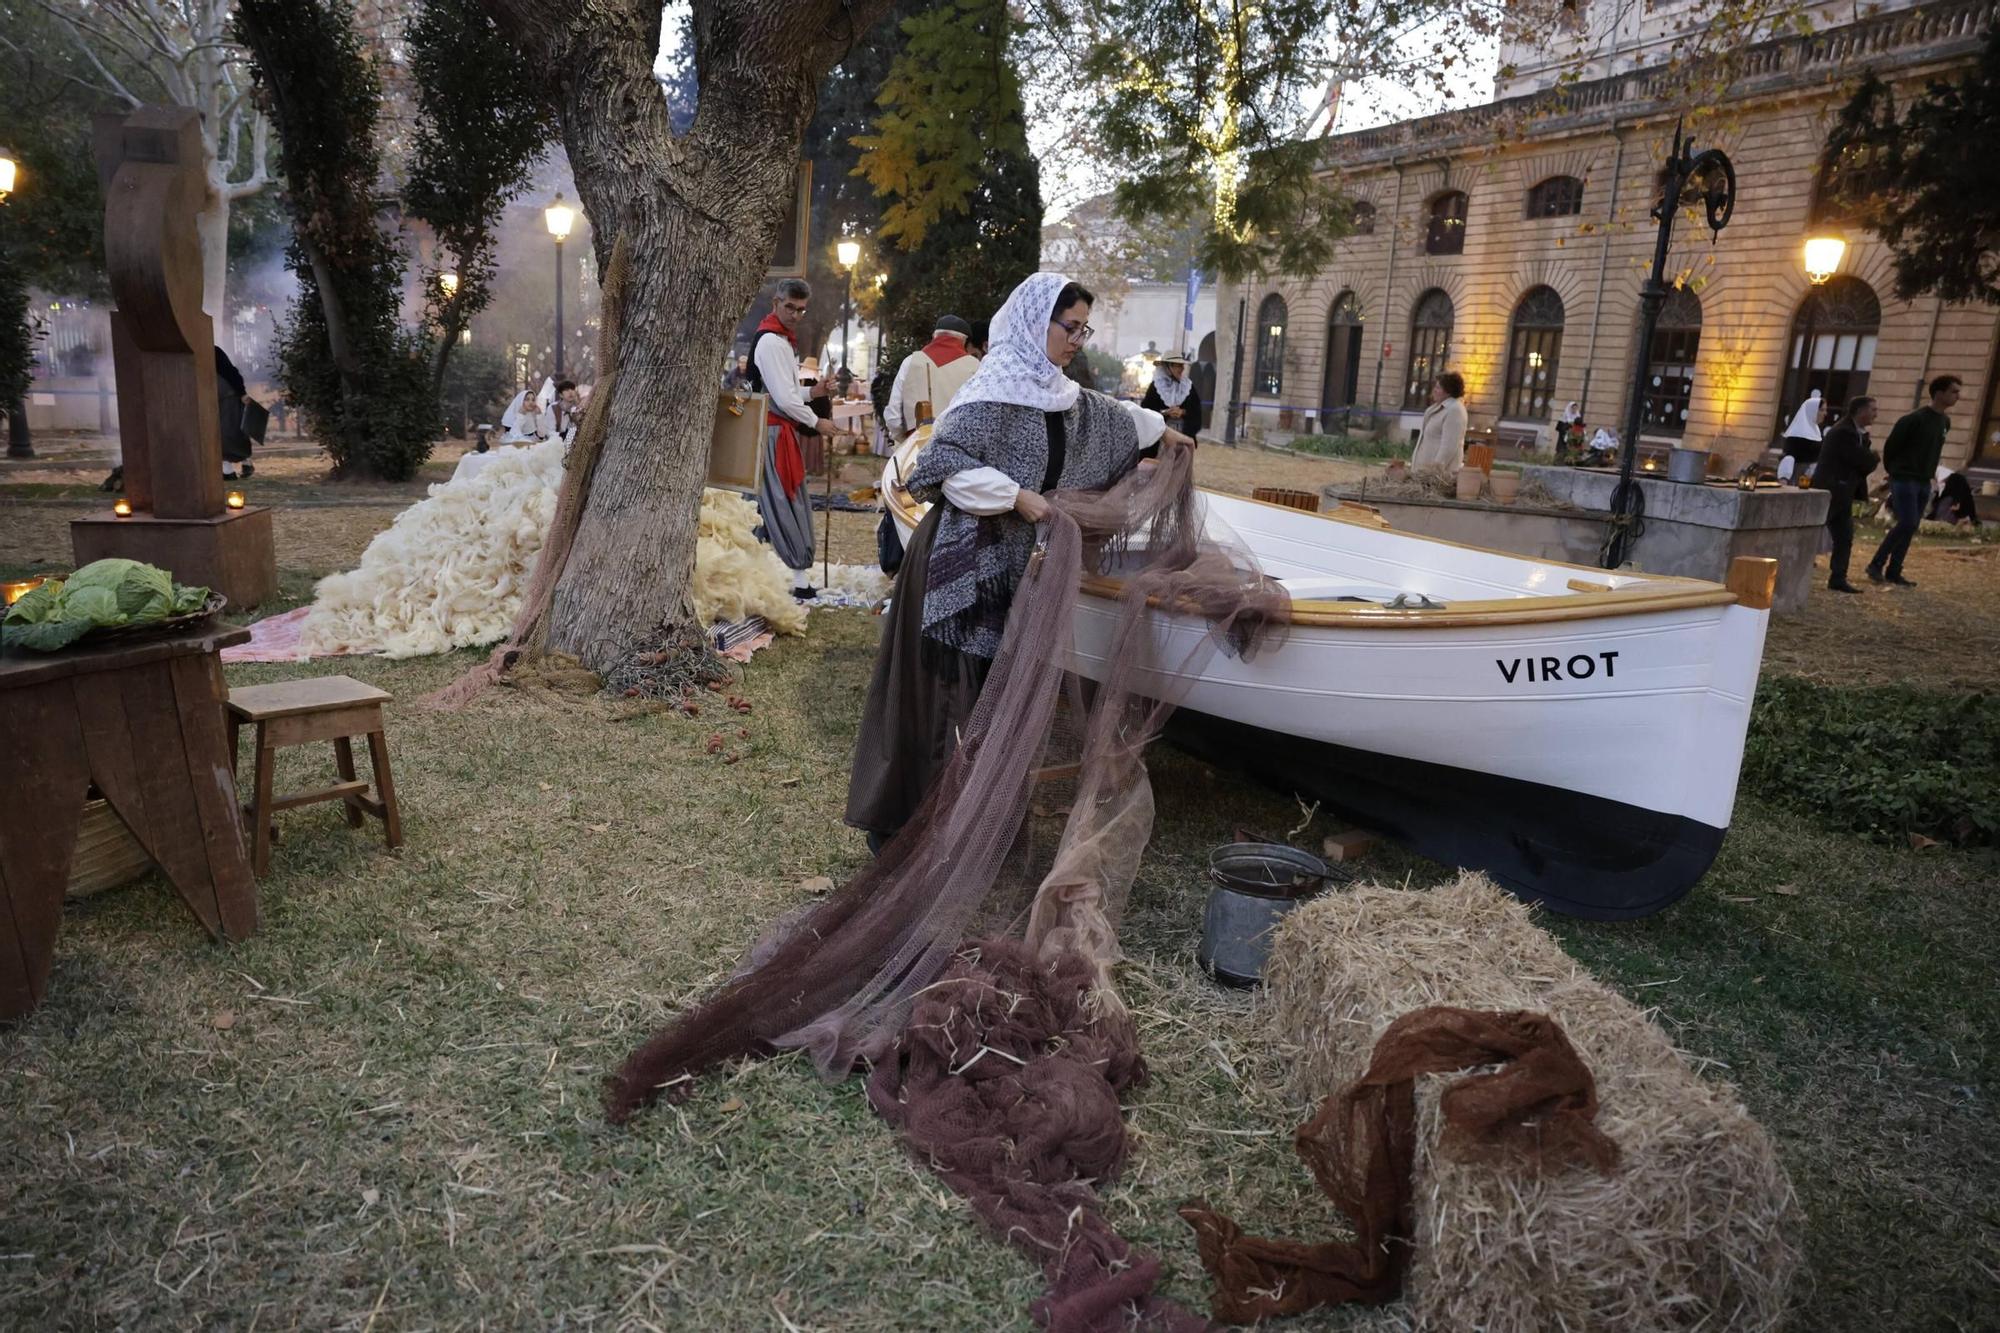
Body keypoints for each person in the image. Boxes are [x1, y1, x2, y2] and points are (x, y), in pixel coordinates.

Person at [845, 272, 1197, 848]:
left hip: (1013, 569)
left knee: (995, 701)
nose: (1078, 339)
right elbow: (937, 466)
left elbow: (1111, 415)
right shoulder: (991, 392)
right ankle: (912, 831)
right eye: (1070, 327)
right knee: (943, 702)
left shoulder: (1060, 393)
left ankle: (980, 827)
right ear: (1037, 324)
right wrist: (1014, 496)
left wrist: (1163, 434)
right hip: (955, 568)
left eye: (1085, 328)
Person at [749, 279, 847, 597]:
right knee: (781, 501)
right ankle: (797, 580)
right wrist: (817, 422)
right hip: (772, 434)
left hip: (774, 431)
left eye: (801, 310)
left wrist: (815, 391)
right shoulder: (771, 342)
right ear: (776, 303)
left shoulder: (781, 340)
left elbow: (789, 394)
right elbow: (786, 400)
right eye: (790, 307)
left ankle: (763, 578)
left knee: (767, 503)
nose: (795, 314)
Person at [1867, 374, 1961, 588]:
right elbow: (1892, 447)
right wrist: (1895, 472)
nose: (1958, 396)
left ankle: (1894, 570)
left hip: (1923, 481)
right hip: (1904, 479)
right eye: (1954, 391)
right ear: (1939, 393)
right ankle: (1876, 564)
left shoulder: (1945, 422)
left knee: (1911, 525)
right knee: (1907, 522)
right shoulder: (1913, 419)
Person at [1813, 394, 1878, 593]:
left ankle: (1838, 577)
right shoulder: (1843, 432)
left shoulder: (1857, 433)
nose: (1876, 414)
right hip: (1832, 490)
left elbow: (1862, 463)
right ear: (1860, 411)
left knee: (1844, 536)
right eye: (1872, 410)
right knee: (1814, 531)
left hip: (1843, 492)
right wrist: (1873, 457)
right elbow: (1862, 461)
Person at [883, 315, 979, 444]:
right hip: (961, 452)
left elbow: (894, 417)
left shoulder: (910, 362)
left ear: (934, 336)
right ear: (965, 341)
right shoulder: (977, 367)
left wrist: (905, 443)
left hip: (916, 449)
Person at [1410, 372, 1468, 472]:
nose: (1434, 391)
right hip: (1425, 472)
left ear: (1448, 391)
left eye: (1438, 388)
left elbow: (1449, 446)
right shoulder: (1437, 408)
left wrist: (1434, 471)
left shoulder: (1455, 410)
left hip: (1438, 476)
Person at [1141, 351, 1204, 437]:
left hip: (1184, 435)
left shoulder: (1188, 386)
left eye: (1182, 365)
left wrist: (1183, 412)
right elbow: (1146, 410)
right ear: (1168, 367)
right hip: (1160, 436)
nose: (1182, 369)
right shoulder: (1156, 386)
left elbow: (1196, 410)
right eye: (1179, 365)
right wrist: (1165, 412)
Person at [1777, 390, 1825, 484]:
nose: (1825, 413)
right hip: (1799, 480)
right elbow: (1789, 457)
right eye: (1822, 410)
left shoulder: (1816, 431)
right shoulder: (1798, 433)